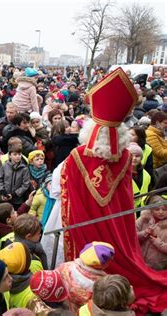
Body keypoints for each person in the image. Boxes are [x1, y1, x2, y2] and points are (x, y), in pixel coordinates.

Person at [59, 68, 167, 313]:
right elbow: (124, 199)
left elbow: (68, 197)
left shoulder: (77, 157)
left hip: (85, 227)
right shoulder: (126, 156)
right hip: (119, 231)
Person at [136, 195, 167, 271]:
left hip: (158, 265)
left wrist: (156, 240)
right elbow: (131, 237)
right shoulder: (143, 219)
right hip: (138, 260)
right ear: (151, 210)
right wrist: (144, 233)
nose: (161, 212)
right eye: (157, 209)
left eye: (164, 209)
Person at [0, 145, 31, 210]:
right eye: (15, 154)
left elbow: (25, 184)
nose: (17, 156)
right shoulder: (4, 166)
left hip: (18, 199)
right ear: (10, 155)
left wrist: (15, 194)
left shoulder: (24, 168)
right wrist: (2, 191)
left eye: (19, 154)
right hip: (4, 197)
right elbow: (0, 179)